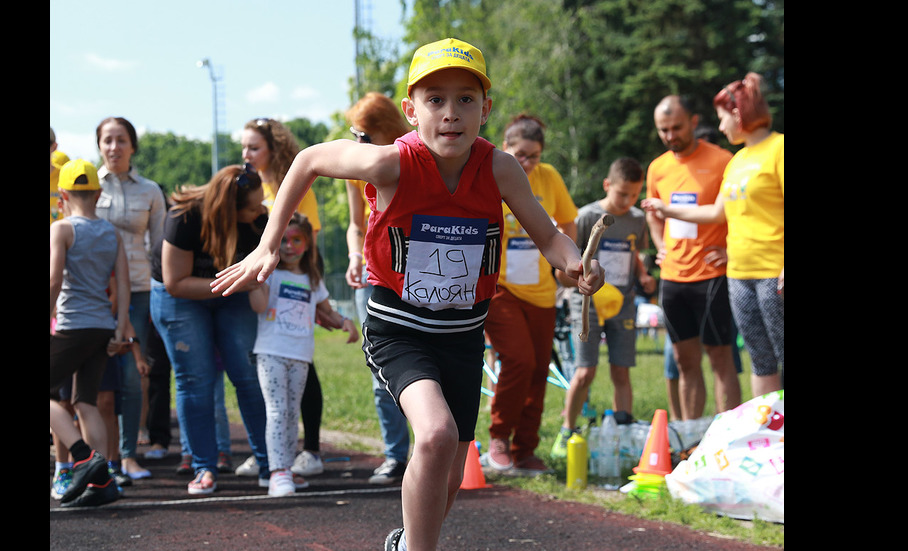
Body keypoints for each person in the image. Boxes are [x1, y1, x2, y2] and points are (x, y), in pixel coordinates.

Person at [209, 37, 605, 551]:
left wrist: (577, 264)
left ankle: (406, 542)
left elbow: (549, 236)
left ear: (485, 110)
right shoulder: (390, 164)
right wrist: (266, 245)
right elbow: (306, 160)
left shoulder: (501, 168)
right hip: (398, 328)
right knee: (435, 434)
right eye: (434, 99)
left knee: (454, 469)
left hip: (462, 333)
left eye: (466, 99)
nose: (450, 113)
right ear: (410, 110)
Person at [643, 73, 783, 396]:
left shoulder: (778, 149)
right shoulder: (738, 161)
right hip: (739, 275)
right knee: (761, 361)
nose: (720, 128)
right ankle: (769, 436)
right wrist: (666, 210)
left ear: (739, 114)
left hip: (773, 273)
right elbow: (715, 212)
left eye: (722, 119)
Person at [150, 163, 273, 495]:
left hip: (232, 292)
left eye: (261, 202)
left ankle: (269, 464)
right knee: (195, 379)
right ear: (227, 209)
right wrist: (235, 283)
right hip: (180, 297)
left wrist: (248, 283)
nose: (260, 211)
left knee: (247, 374)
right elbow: (176, 283)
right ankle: (203, 467)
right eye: (251, 207)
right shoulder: (184, 217)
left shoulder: (259, 220)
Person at [482, 114, 578, 475]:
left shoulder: (549, 178)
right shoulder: (494, 171)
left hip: (541, 291)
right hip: (500, 287)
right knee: (519, 360)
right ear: (506, 148)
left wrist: (566, 262)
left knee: (539, 368)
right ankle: (499, 439)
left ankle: (525, 449)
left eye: (533, 156)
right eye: (519, 154)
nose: (526, 162)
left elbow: (567, 221)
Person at [238, 117, 332, 480]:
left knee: (302, 364)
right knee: (263, 365)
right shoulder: (246, 184)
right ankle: (268, 451)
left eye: (254, 147)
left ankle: (310, 450)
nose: (246, 154)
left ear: (273, 150)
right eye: (244, 147)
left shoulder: (297, 184)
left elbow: (304, 235)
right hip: (259, 277)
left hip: (294, 270)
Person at [642, 95, 741, 420]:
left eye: (677, 128)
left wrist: (729, 249)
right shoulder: (658, 167)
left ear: (694, 122)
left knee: (720, 358)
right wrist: (659, 244)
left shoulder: (723, 160)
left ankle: (729, 439)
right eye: (663, 130)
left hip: (712, 275)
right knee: (685, 362)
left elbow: (740, 212)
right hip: (673, 278)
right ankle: (691, 439)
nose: (671, 136)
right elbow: (653, 213)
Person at [250, 213, 359, 496]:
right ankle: (277, 473)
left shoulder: (312, 278)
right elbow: (259, 307)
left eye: (296, 239)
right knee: (278, 411)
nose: (289, 246)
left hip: (300, 356)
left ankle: (285, 468)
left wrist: (345, 322)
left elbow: (326, 311)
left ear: (308, 243)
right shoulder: (269, 273)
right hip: (271, 353)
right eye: (283, 239)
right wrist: (254, 278)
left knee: (290, 415)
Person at [552, 158, 656, 452]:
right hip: (588, 303)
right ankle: (567, 431)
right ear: (607, 185)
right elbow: (567, 267)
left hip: (623, 303)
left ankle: (623, 432)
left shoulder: (636, 218)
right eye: (623, 194)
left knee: (621, 370)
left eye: (635, 194)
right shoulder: (587, 217)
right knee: (585, 371)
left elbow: (633, 251)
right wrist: (579, 283)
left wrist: (643, 275)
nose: (629, 201)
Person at [50, 158, 130, 507]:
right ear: (98, 194)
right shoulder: (112, 233)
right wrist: (121, 327)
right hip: (102, 326)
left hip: (72, 325)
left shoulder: (62, 229)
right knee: (86, 402)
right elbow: (123, 286)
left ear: (62, 195)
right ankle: (102, 482)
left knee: (61, 398)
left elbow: (53, 280)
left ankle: (83, 457)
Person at [344, 91, 414, 485]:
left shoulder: (414, 163)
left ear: (386, 133)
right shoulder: (356, 169)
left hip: (412, 279)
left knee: (425, 368)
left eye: (363, 136)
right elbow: (357, 224)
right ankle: (395, 456)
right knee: (380, 372)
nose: (356, 144)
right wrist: (356, 255)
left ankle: (430, 452)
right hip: (370, 278)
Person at [95, 116, 167, 480]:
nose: (114, 148)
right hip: (95, 292)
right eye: (107, 140)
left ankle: (127, 455)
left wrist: (160, 290)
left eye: (121, 140)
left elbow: (160, 247)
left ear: (132, 146)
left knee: (130, 372)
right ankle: (98, 457)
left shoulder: (151, 191)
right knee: (97, 377)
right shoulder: (89, 186)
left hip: (138, 289)